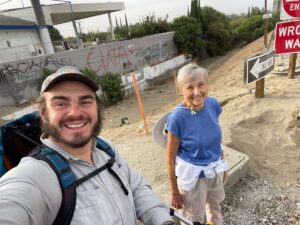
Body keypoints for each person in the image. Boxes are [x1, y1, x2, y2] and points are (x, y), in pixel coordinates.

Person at [0, 66, 175, 225]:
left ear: (97, 109)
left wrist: (163, 220)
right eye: (60, 103)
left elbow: (136, 188)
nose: (75, 112)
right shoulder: (37, 175)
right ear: (44, 115)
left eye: (85, 101)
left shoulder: (106, 150)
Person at [166, 63, 228, 225]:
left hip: (214, 171)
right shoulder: (177, 118)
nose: (196, 92)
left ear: (207, 85)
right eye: (190, 87)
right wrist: (174, 192)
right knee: (194, 220)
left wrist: (223, 164)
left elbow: (216, 138)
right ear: (181, 90)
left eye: (201, 85)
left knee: (215, 209)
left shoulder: (212, 104)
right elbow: (170, 159)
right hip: (191, 179)